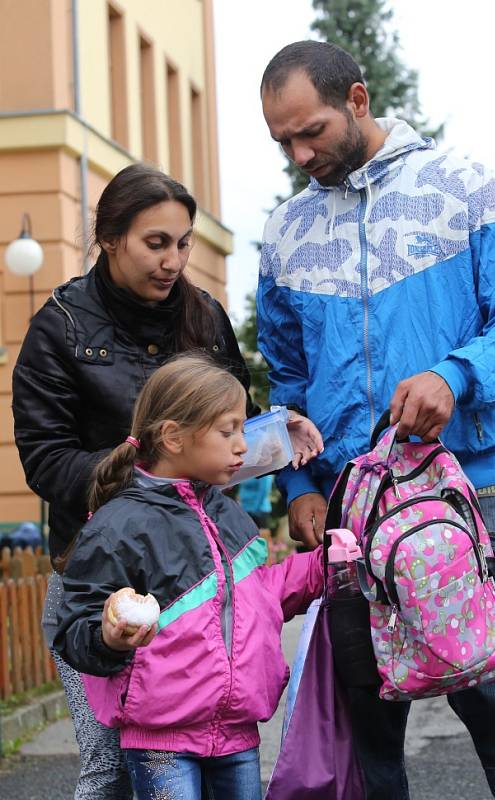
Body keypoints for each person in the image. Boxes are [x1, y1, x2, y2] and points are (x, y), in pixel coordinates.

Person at [257, 40, 495, 800]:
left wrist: (452, 374)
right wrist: (298, 480)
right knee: (366, 742)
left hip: (467, 497)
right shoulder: (282, 235)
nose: (301, 154)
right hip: (345, 517)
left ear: (357, 102)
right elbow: (287, 381)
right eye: (282, 142)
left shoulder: (463, 186)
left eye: (311, 132)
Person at [11, 163, 322, 799]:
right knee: (110, 767)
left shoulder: (205, 318)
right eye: (157, 243)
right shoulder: (60, 327)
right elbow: (44, 460)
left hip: (206, 575)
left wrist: (269, 434)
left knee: (220, 751)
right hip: (101, 571)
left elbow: (225, 423)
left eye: (183, 243)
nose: (174, 260)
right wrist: (145, 486)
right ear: (110, 238)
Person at [52, 354, 323, 800]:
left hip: (238, 732)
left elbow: (265, 593)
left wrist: (325, 563)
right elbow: (75, 627)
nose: (242, 444)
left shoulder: (230, 514)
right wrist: (108, 639)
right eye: (228, 430)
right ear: (174, 437)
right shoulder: (119, 524)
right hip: (162, 741)